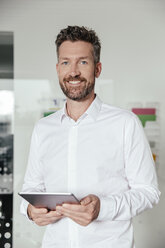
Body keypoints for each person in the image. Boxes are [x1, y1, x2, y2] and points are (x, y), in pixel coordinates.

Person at [20, 26, 160, 248]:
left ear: (98, 68)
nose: (73, 71)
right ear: (57, 68)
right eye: (66, 62)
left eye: (83, 62)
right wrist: (29, 210)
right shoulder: (43, 129)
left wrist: (103, 208)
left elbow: (149, 192)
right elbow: (31, 188)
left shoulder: (125, 123)